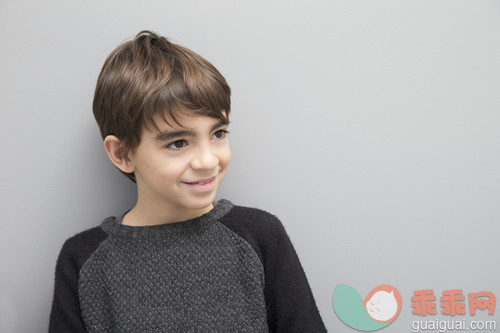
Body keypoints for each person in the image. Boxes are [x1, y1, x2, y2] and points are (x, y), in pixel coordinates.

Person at [49, 30, 327, 333]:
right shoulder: (83, 261)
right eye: (178, 143)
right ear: (122, 153)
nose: (208, 161)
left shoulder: (260, 237)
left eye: (218, 134)